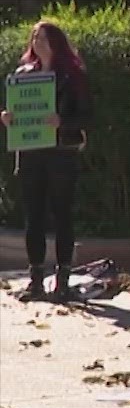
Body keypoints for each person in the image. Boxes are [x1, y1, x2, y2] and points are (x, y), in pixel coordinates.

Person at [2, 22, 91, 302]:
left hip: (60, 154)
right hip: (30, 153)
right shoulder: (22, 75)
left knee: (62, 215)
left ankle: (63, 280)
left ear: (56, 42)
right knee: (34, 217)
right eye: (34, 38)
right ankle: (36, 280)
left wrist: (62, 122)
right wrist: (8, 118)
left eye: (43, 37)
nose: (38, 42)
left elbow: (87, 116)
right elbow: (17, 110)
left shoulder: (72, 75)